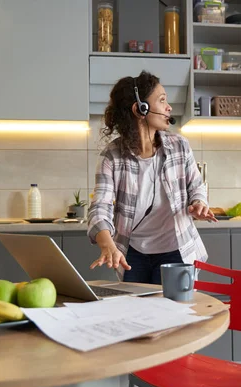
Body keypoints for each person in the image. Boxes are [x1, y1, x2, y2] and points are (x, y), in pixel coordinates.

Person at [87, 70, 216, 284]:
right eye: (162, 100)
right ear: (141, 109)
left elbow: (196, 186)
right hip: (134, 253)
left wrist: (198, 202)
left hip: (177, 249)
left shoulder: (179, 145)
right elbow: (100, 206)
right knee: (139, 313)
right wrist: (107, 244)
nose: (169, 107)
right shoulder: (112, 156)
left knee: (176, 314)